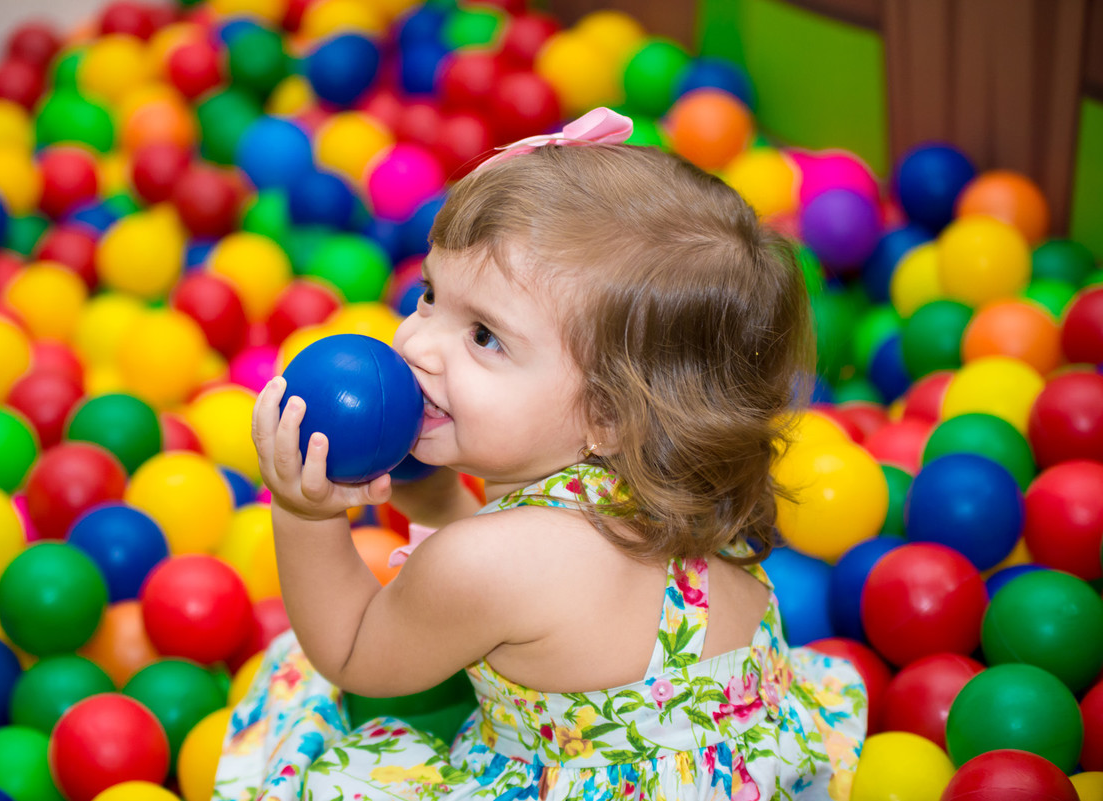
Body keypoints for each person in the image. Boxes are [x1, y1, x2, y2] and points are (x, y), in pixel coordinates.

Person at [214, 107, 867, 801]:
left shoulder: (484, 563)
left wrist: (303, 513)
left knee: (302, 716)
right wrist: (433, 496)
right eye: (430, 296)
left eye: (485, 337)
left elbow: (351, 652)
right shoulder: (669, 479)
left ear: (609, 414)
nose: (414, 343)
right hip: (740, 767)